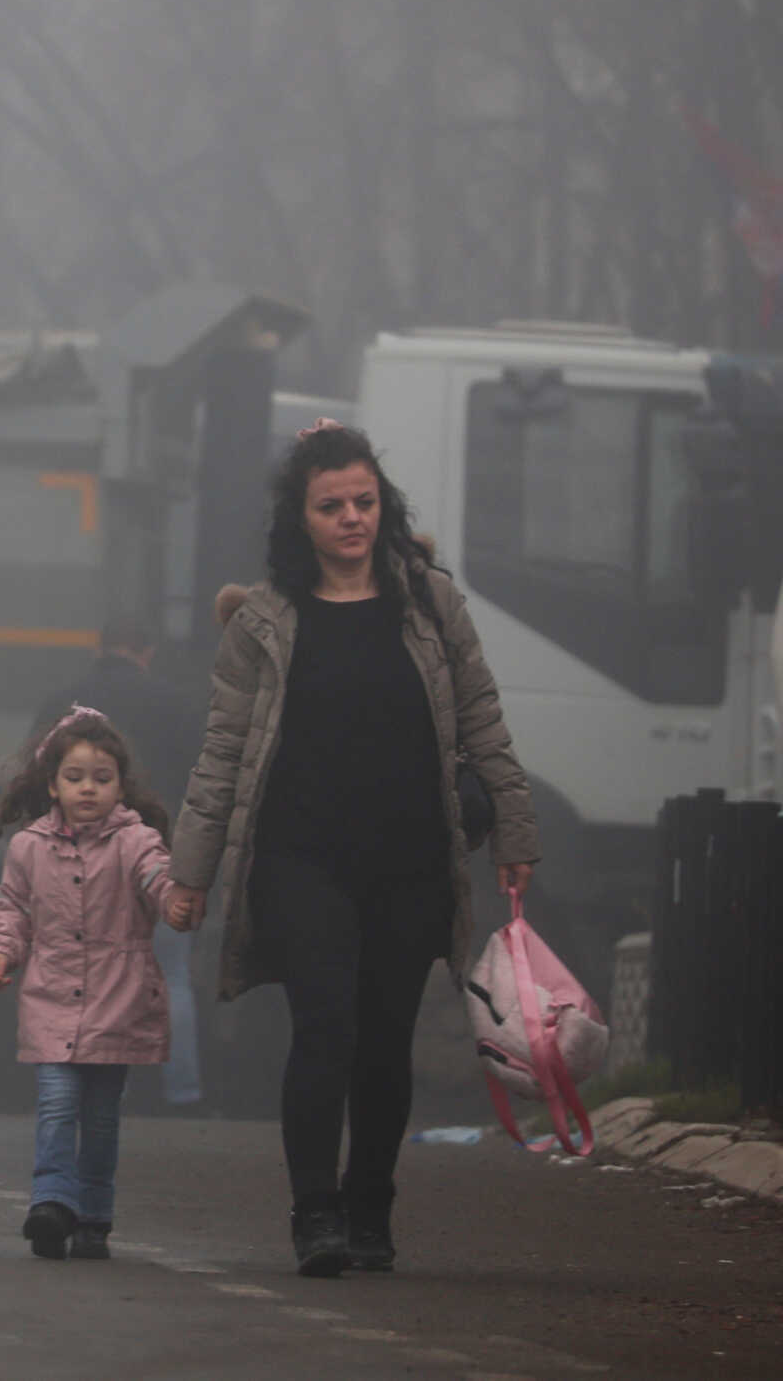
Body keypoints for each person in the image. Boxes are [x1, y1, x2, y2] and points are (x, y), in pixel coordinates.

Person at [164, 420, 537, 1278]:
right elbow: (222, 753)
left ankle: (371, 1206)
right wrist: (190, 871)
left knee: (383, 1037)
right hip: (303, 860)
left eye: (365, 501)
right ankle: (315, 1213)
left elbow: (484, 722)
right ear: (301, 518)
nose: (351, 518)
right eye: (331, 505)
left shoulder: (431, 605)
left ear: (385, 506)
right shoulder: (262, 623)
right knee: (324, 1028)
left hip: (409, 861)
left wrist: (515, 832)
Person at [0, 707, 178, 1263]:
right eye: (75, 777)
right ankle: (50, 1203)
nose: (88, 788)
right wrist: (2, 949)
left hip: (119, 1001)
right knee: (58, 1103)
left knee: (101, 1117)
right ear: (52, 785)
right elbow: (13, 909)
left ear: (121, 785)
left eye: (102, 777)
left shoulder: (135, 841)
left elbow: (159, 879)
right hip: (51, 998)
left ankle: (93, 1216)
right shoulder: (29, 848)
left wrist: (176, 901)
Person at [32, 617, 205, 1110]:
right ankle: (181, 1095)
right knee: (170, 977)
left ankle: (84, 1091)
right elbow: (204, 785)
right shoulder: (176, 705)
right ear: (146, 651)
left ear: (99, 646)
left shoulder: (62, 704)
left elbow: (33, 781)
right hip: (161, 854)